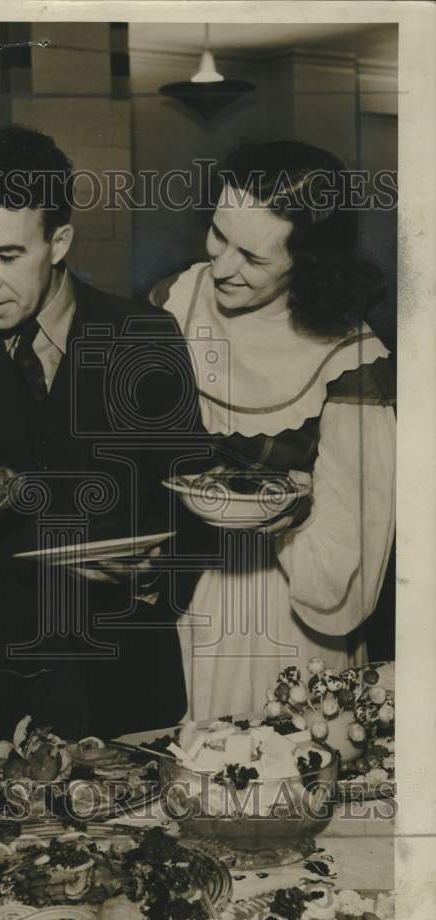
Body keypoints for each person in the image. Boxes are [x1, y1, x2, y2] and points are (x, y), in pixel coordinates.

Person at [0, 125, 208, 767]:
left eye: (7, 255)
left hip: (124, 683)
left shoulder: (144, 337)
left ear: (59, 242)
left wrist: (151, 575)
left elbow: (193, 496)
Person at [149, 140, 396, 721]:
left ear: (306, 263)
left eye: (253, 258)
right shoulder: (174, 301)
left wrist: (293, 514)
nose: (223, 266)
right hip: (185, 595)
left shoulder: (351, 361)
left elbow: (350, 552)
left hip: (288, 620)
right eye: (217, 235)